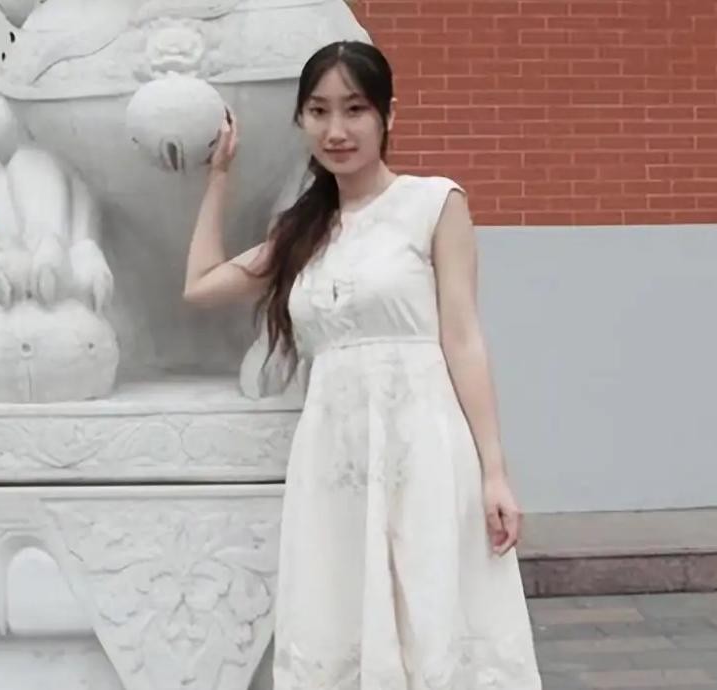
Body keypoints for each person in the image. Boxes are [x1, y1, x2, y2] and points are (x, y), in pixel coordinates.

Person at [183, 40, 542, 690]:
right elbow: (200, 286)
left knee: (431, 609)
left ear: (387, 115)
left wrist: (495, 473)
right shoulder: (302, 234)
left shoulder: (434, 204)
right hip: (336, 459)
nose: (337, 130)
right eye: (318, 111)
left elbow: (463, 337)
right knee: (340, 613)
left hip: (423, 446)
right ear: (301, 121)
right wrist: (219, 177)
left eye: (354, 109)